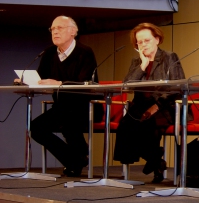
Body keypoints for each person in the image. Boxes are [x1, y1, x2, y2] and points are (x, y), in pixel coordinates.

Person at [24, 15, 100, 177]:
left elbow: (85, 83)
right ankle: (75, 158)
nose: (55, 32)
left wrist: (59, 83)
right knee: (35, 128)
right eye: (52, 29)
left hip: (85, 106)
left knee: (68, 120)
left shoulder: (85, 52)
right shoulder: (49, 53)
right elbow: (41, 78)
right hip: (61, 107)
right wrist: (25, 81)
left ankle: (77, 157)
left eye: (60, 28)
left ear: (73, 32)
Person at [113, 23, 185, 183]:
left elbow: (177, 87)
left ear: (157, 40)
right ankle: (156, 160)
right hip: (140, 106)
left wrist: (156, 106)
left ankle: (155, 162)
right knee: (125, 126)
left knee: (147, 126)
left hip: (165, 106)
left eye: (147, 40)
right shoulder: (136, 61)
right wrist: (142, 65)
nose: (143, 44)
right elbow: (127, 85)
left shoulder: (169, 57)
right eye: (139, 42)